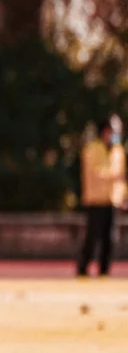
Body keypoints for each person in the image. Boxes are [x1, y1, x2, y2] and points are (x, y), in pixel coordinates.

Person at [77, 115, 125, 277]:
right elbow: (94, 173)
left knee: (110, 239)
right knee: (92, 237)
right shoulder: (92, 148)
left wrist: (124, 195)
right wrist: (114, 176)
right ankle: (83, 269)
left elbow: (122, 177)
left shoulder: (118, 151)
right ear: (105, 131)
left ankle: (104, 272)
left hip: (112, 200)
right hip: (95, 200)